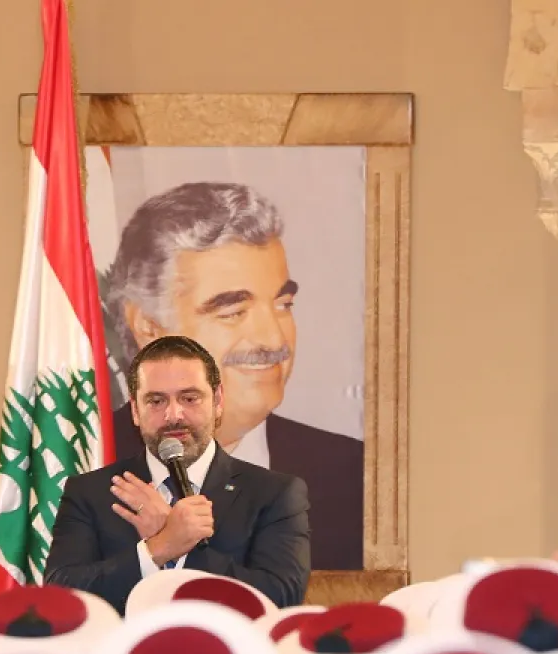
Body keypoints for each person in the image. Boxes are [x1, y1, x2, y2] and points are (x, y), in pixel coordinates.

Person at [103, 181, 363, 570]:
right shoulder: (85, 456)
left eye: (283, 304)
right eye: (232, 312)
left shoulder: (347, 470)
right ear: (150, 326)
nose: (273, 338)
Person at [44, 336, 311, 614]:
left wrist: (186, 548)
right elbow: (61, 594)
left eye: (189, 398)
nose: (173, 415)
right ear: (135, 410)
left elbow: (282, 596)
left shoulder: (274, 493)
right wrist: (158, 547)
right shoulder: (92, 491)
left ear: (218, 401)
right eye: (156, 401)